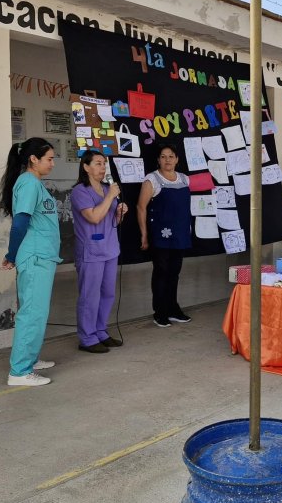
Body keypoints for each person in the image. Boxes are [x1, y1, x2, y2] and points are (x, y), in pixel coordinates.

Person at [0, 137, 61, 387]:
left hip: (42, 255)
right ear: (33, 159)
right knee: (32, 313)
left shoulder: (34, 183)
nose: (53, 164)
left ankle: (30, 359)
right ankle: (20, 371)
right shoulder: (28, 183)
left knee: (37, 310)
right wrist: (12, 255)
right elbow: (20, 223)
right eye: (49, 159)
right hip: (34, 256)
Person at [71, 151, 128, 353]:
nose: (103, 167)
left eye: (104, 163)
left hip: (110, 248)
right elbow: (94, 218)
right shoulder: (80, 191)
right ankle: (87, 338)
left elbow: (110, 221)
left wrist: (119, 213)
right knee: (90, 295)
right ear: (86, 167)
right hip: (91, 250)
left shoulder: (107, 188)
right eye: (98, 163)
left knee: (107, 293)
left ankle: (100, 331)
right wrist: (111, 197)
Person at [137, 145, 193, 328]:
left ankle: (173, 309)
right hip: (160, 235)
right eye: (163, 156)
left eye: (171, 156)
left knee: (174, 273)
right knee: (161, 272)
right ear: (158, 160)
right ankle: (160, 312)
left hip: (180, 234)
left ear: (177, 159)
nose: (167, 160)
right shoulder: (151, 180)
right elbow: (141, 207)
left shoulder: (185, 179)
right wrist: (144, 234)